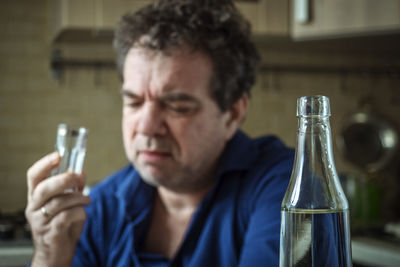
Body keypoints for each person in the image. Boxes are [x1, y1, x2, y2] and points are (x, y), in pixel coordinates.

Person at [25, 0, 294, 266]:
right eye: (134, 102)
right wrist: (50, 255)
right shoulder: (101, 208)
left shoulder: (288, 188)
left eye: (177, 106)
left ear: (233, 113)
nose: (146, 126)